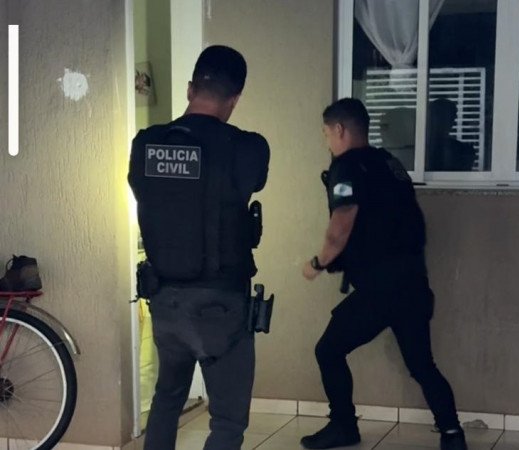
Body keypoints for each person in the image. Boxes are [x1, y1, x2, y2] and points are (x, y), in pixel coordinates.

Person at [301, 98, 467, 450]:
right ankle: (453, 434)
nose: (326, 142)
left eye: (326, 134)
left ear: (339, 130)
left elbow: (341, 224)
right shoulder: (389, 164)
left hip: (380, 290)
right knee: (422, 365)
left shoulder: (347, 167)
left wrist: (317, 263)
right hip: (412, 284)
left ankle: (343, 426)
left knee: (328, 351)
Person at [128, 45, 270, 450]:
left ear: (190, 88)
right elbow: (253, 181)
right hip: (220, 306)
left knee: (167, 399)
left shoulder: (146, 144)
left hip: (165, 301)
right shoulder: (248, 147)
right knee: (227, 422)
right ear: (235, 99)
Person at [426, 98, 476, 171]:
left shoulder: (462, 150)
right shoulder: (421, 148)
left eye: (453, 118)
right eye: (450, 118)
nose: (453, 122)